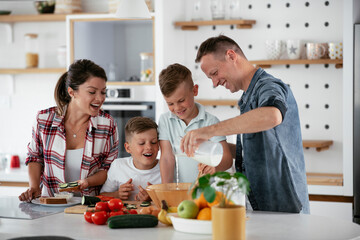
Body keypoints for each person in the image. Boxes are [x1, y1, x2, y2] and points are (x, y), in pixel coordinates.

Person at [180, 35, 310, 214]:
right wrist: (220, 149)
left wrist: (208, 131)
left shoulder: (268, 86)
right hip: (265, 205)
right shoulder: (248, 97)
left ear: (231, 56)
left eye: (214, 73)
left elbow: (272, 115)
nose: (215, 83)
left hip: (286, 206)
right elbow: (262, 149)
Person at [19, 59, 119, 202]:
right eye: (92, 92)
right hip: (50, 205)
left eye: (103, 92)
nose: (100, 98)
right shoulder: (44, 119)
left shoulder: (108, 125)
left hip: (90, 207)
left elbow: (108, 169)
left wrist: (87, 182)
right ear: (72, 92)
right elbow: (35, 157)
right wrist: (34, 187)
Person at [158, 63, 233, 184]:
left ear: (195, 90)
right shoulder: (165, 120)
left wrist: (215, 167)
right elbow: (167, 158)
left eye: (181, 100)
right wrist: (166, 189)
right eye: (170, 104)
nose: (177, 108)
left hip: (207, 191)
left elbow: (227, 159)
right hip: (180, 191)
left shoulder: (211, 122)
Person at [100, 116, 161, 201]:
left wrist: (153, 199)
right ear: (128, 148)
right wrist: (117, 194)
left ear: (159, 145)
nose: (149, 147)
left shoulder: (167, 169)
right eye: (141, 143)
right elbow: (101, 196)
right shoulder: (118, 166)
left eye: (153, 142)